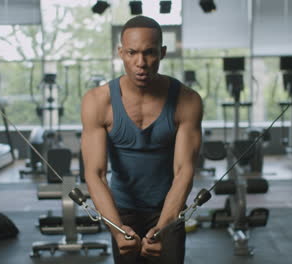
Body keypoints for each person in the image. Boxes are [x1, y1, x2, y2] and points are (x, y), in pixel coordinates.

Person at [81, 15, 203, 264]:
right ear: (120, 53)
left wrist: (163, 228)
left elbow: (184, 171)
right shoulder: (98, 101)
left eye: (149, 53)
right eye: (132, 53)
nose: (141, 63)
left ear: (163, 52)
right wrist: (116, 229)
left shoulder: (187, 100)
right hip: (121, 211)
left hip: (167, 208)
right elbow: (95, 174)